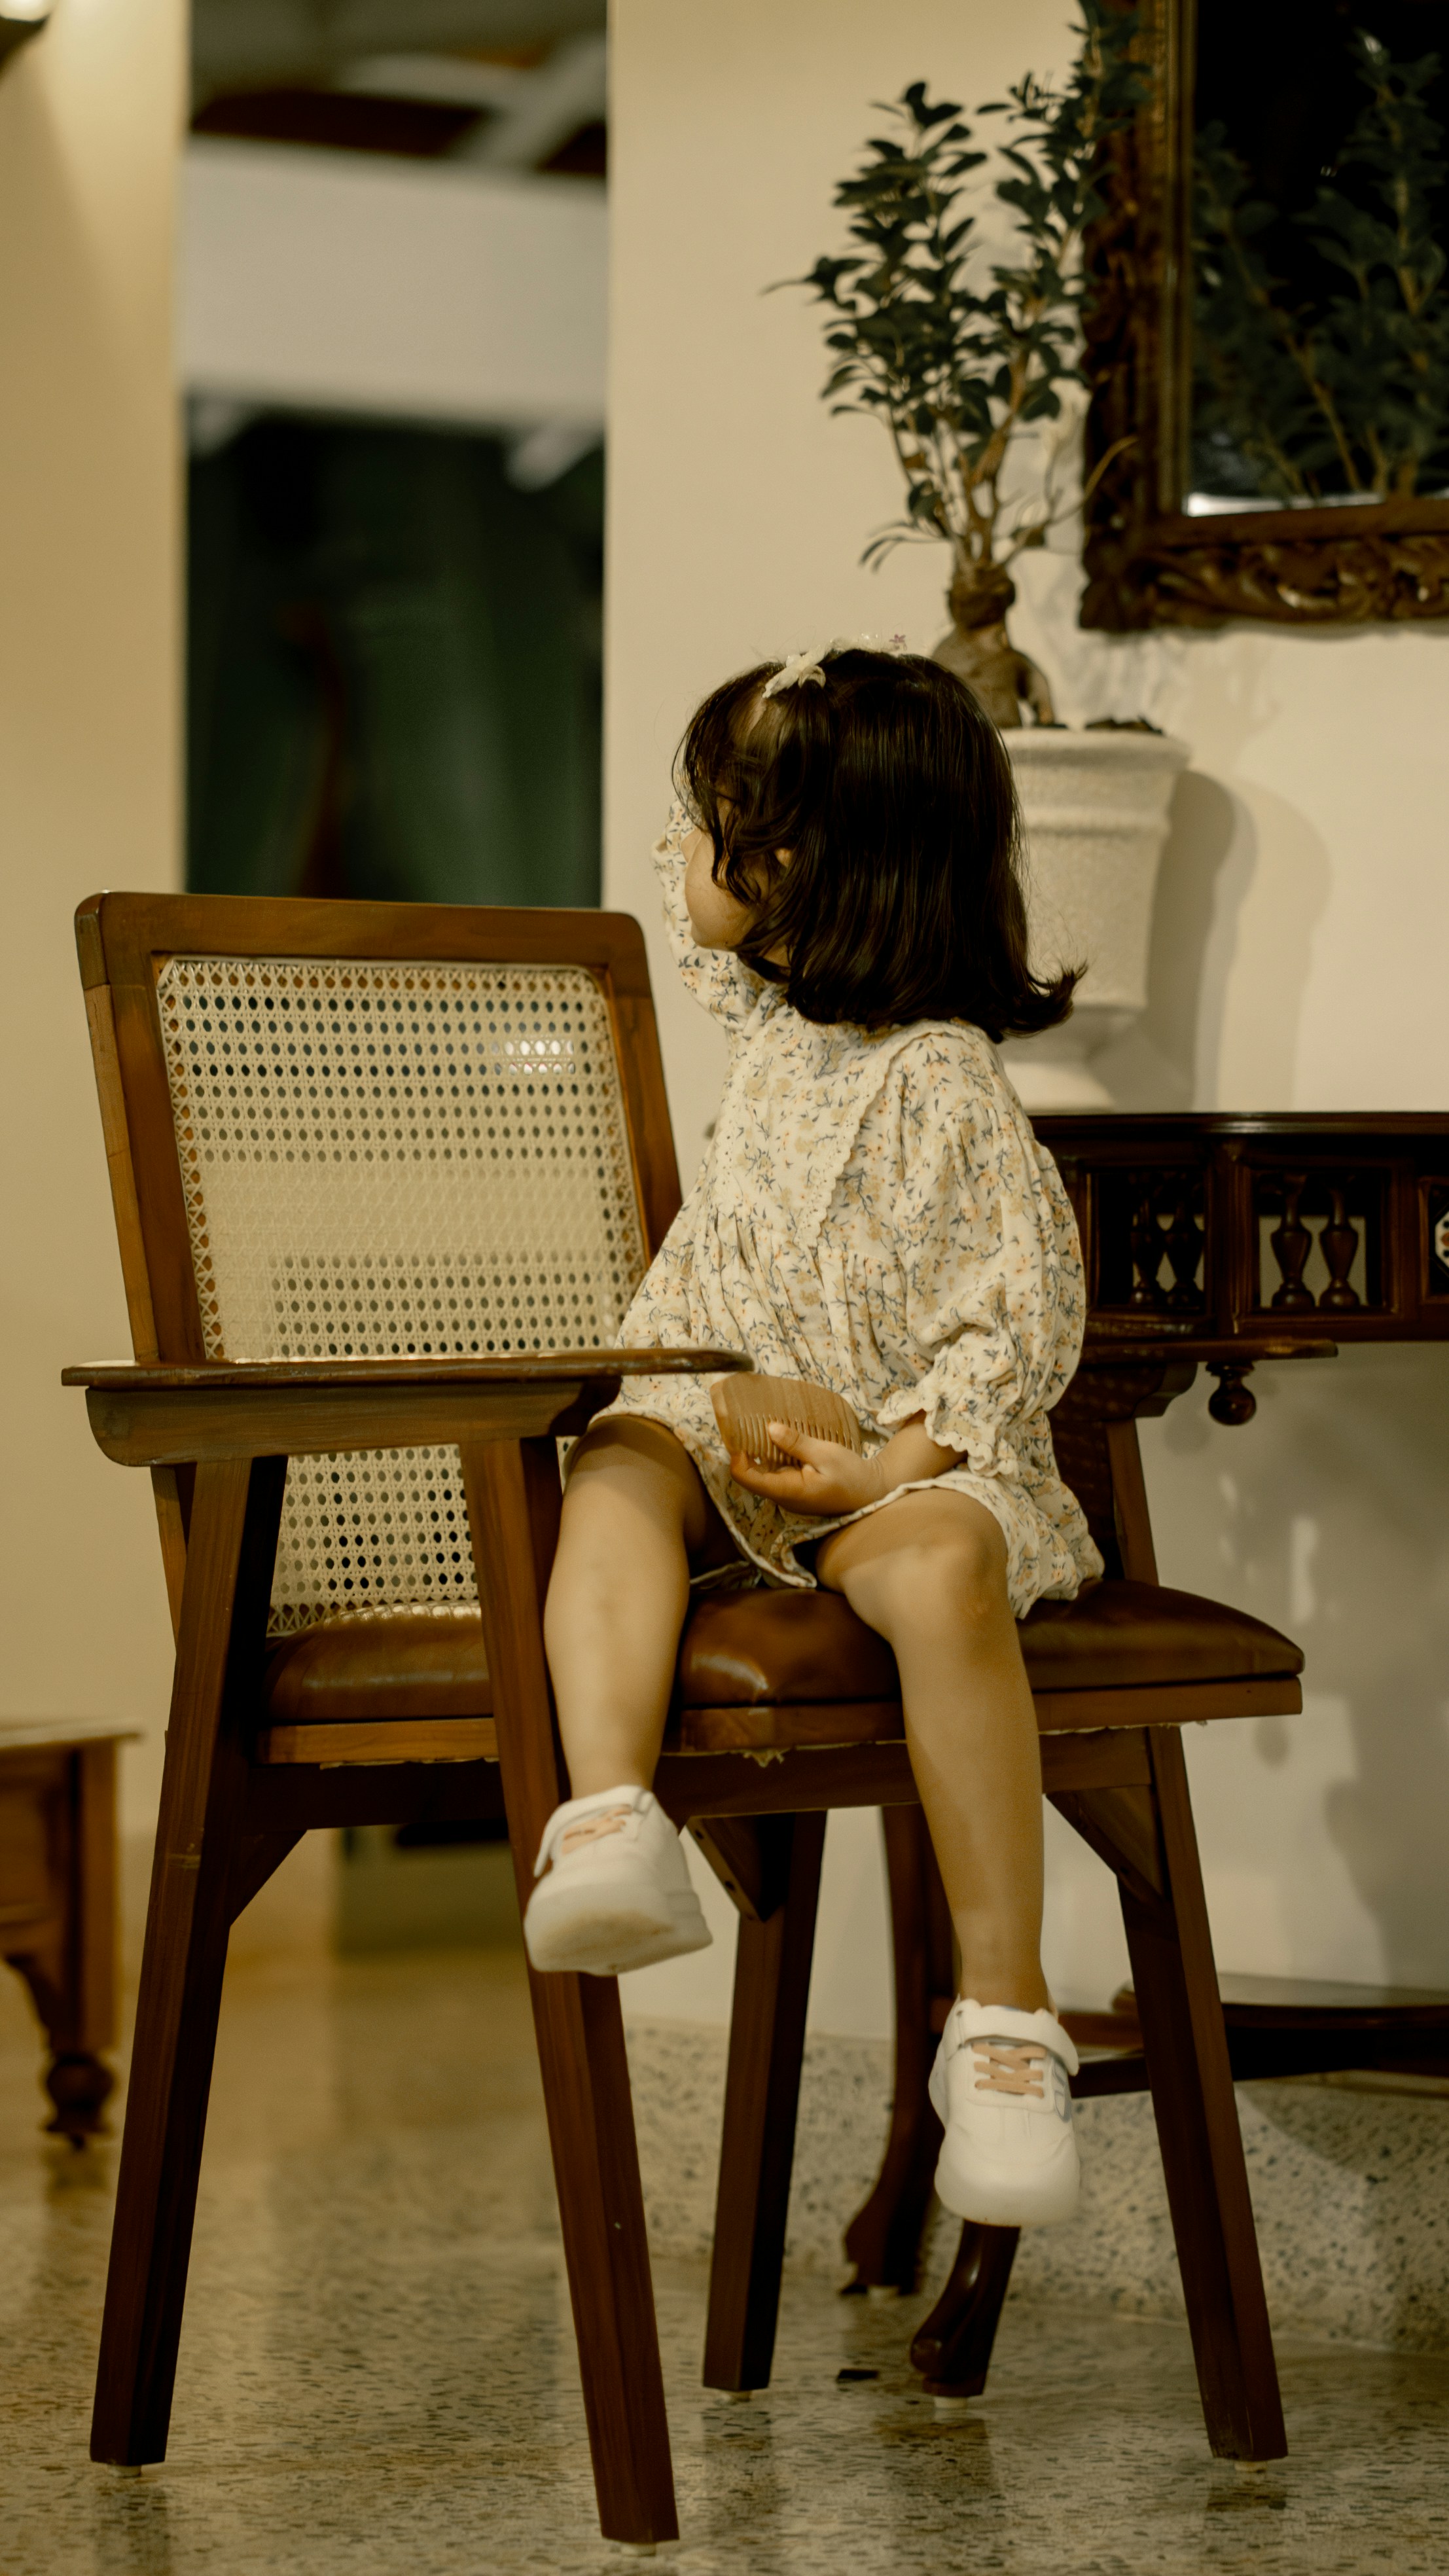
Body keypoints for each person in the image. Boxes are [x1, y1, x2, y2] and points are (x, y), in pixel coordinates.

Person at [524, 639, 1101, 2228]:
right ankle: (609, 1813)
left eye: (730, 823)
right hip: (731, 1429)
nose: (693, 852)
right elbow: (696, 908)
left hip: (898, 1466)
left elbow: (1018, 1328)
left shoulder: (946, 1083)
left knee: (933, 1577)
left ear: (817, 873)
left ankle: (1001, 2018)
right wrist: (754, 765)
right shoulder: (766, 1024)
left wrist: (891, 1467)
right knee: (623, 1466)